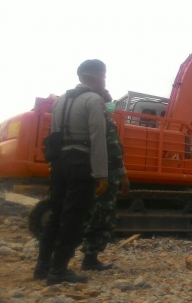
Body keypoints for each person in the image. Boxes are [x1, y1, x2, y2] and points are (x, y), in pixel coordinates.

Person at [34, 59, 109, 285]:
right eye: (104, 77)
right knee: (74, 217)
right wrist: (101, 174)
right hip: (80, 163)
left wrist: (53, 164)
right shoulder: (94, 100)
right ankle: (59, 271)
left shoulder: (60, 101)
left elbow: (54, 135)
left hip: (60, 163)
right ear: (97, 77)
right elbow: (97, 138)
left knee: (56, 214)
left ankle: (42, 267)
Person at [80, 90, 130, 271]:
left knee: (89, 212)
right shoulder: (105, 121)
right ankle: (90, 257)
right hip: (106, 173)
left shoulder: (83, 117)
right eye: (109, 101)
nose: (111, 105)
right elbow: (114, 150)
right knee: (103, 215)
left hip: (88, 171)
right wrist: (123, 175)